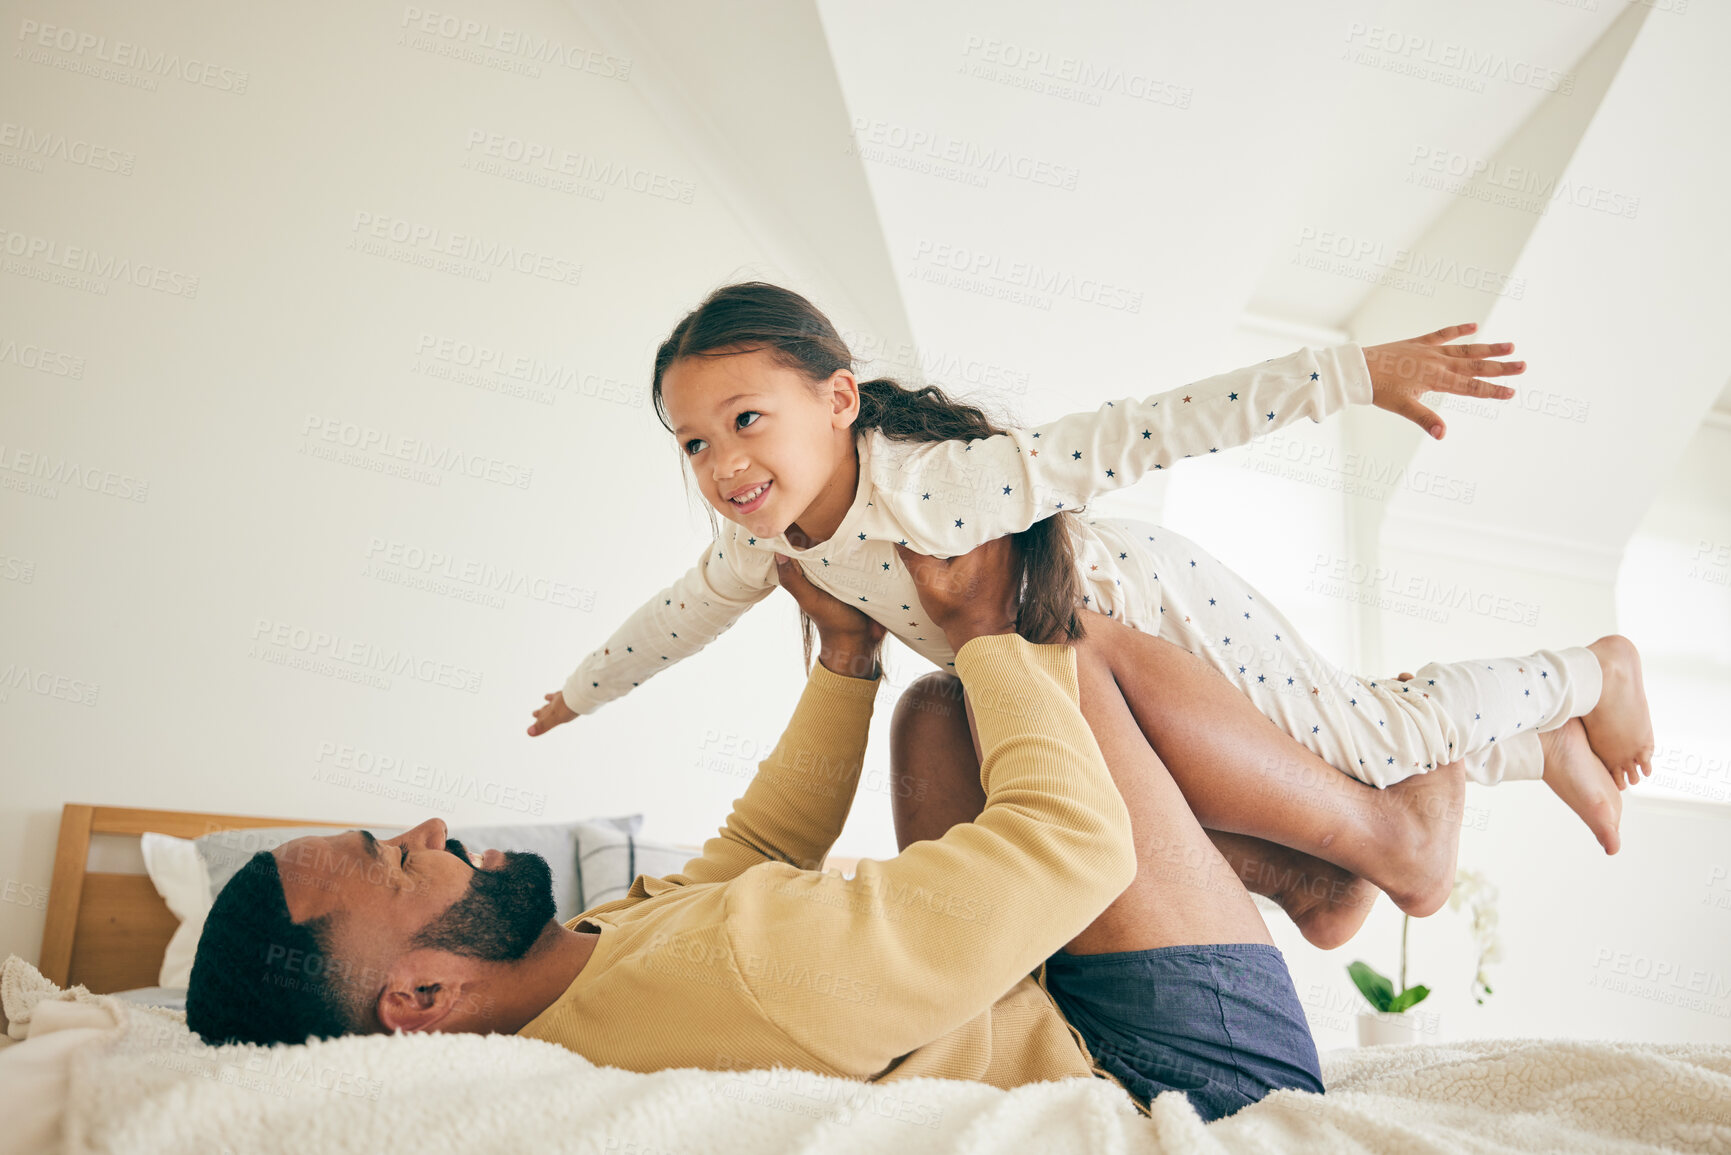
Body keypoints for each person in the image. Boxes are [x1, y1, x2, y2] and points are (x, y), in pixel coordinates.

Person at [186, 536, 1470, 1123]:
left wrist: (845, 652)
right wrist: (992, 630)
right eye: (396, 862)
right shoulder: (726, 978)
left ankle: (1312, 884)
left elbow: (753, 850)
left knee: (925, 720)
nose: (427, 825)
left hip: (1061, 1002)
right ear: (417, 999)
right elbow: (1076, 850)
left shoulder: (571, 967)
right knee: (1059, 660)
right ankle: (1390, 846)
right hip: (1191, 1071)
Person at [529, 282, 1654, 855]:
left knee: (1372, 744)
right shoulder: (758, 541)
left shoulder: (941, 484)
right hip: (1098, 684)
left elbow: (1142, 431)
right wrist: (585, 691)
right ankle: (1529, 751)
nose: (724, 462)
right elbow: (677, 617)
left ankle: (1587, 671)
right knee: (1313, 792)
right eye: (694, 443)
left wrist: (1348, 372)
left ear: (836, 400)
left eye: (744, 420)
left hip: (1159, 613)